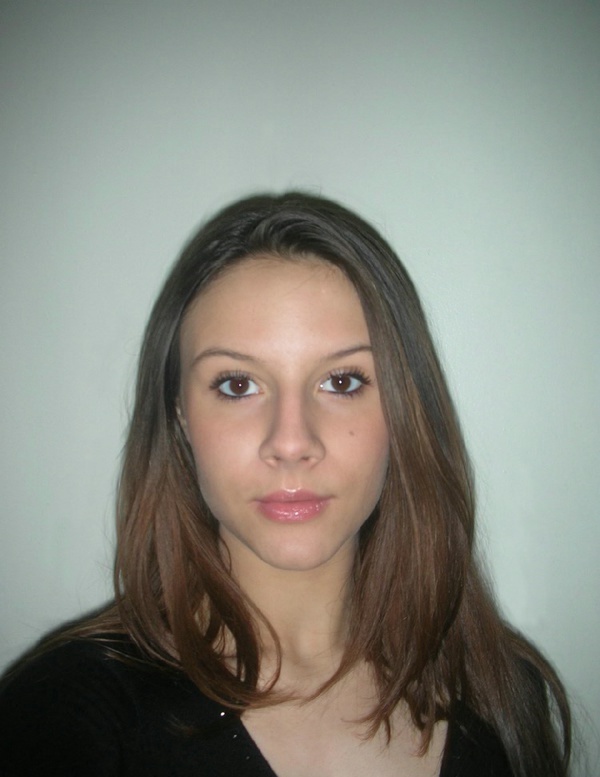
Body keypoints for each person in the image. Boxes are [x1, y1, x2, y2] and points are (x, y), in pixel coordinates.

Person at [0, 193, 571, 776]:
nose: (292, 441)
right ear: (179, 416)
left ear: (405, 410)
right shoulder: (66, 717)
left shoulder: (502, 691)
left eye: (342, 381)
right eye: (237, 385)